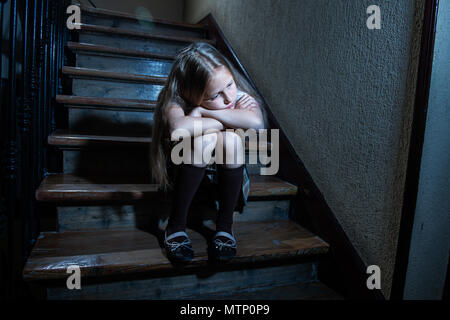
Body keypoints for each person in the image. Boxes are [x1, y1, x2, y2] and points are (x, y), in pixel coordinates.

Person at [150, 42, 267, 264]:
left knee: (231, 140)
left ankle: (225, 228)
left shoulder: (237, 96)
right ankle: (175, 226)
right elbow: (178, 129)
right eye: (214, 96)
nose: (228, 99)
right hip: (184, 176)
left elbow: (257, 124)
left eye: (230, 85)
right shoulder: (176, 99)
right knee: (205, 139)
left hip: (227, 183)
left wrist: (203, 112)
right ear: (191, 94)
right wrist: (223, 122)